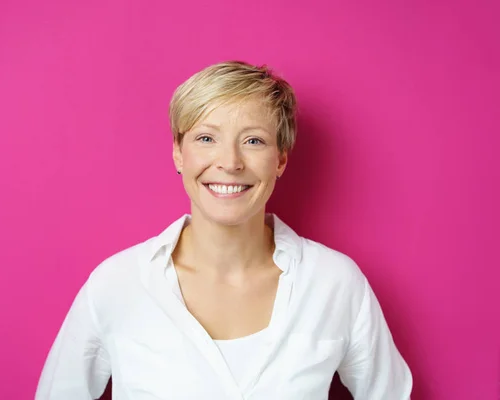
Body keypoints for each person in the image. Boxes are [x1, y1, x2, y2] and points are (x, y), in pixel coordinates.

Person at [35, 61, 412, 400]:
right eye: (206, 138)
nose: (230, 163)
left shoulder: (335, 283)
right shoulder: (117, 284)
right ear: (179, 154)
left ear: (280, 159)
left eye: (253, 141)